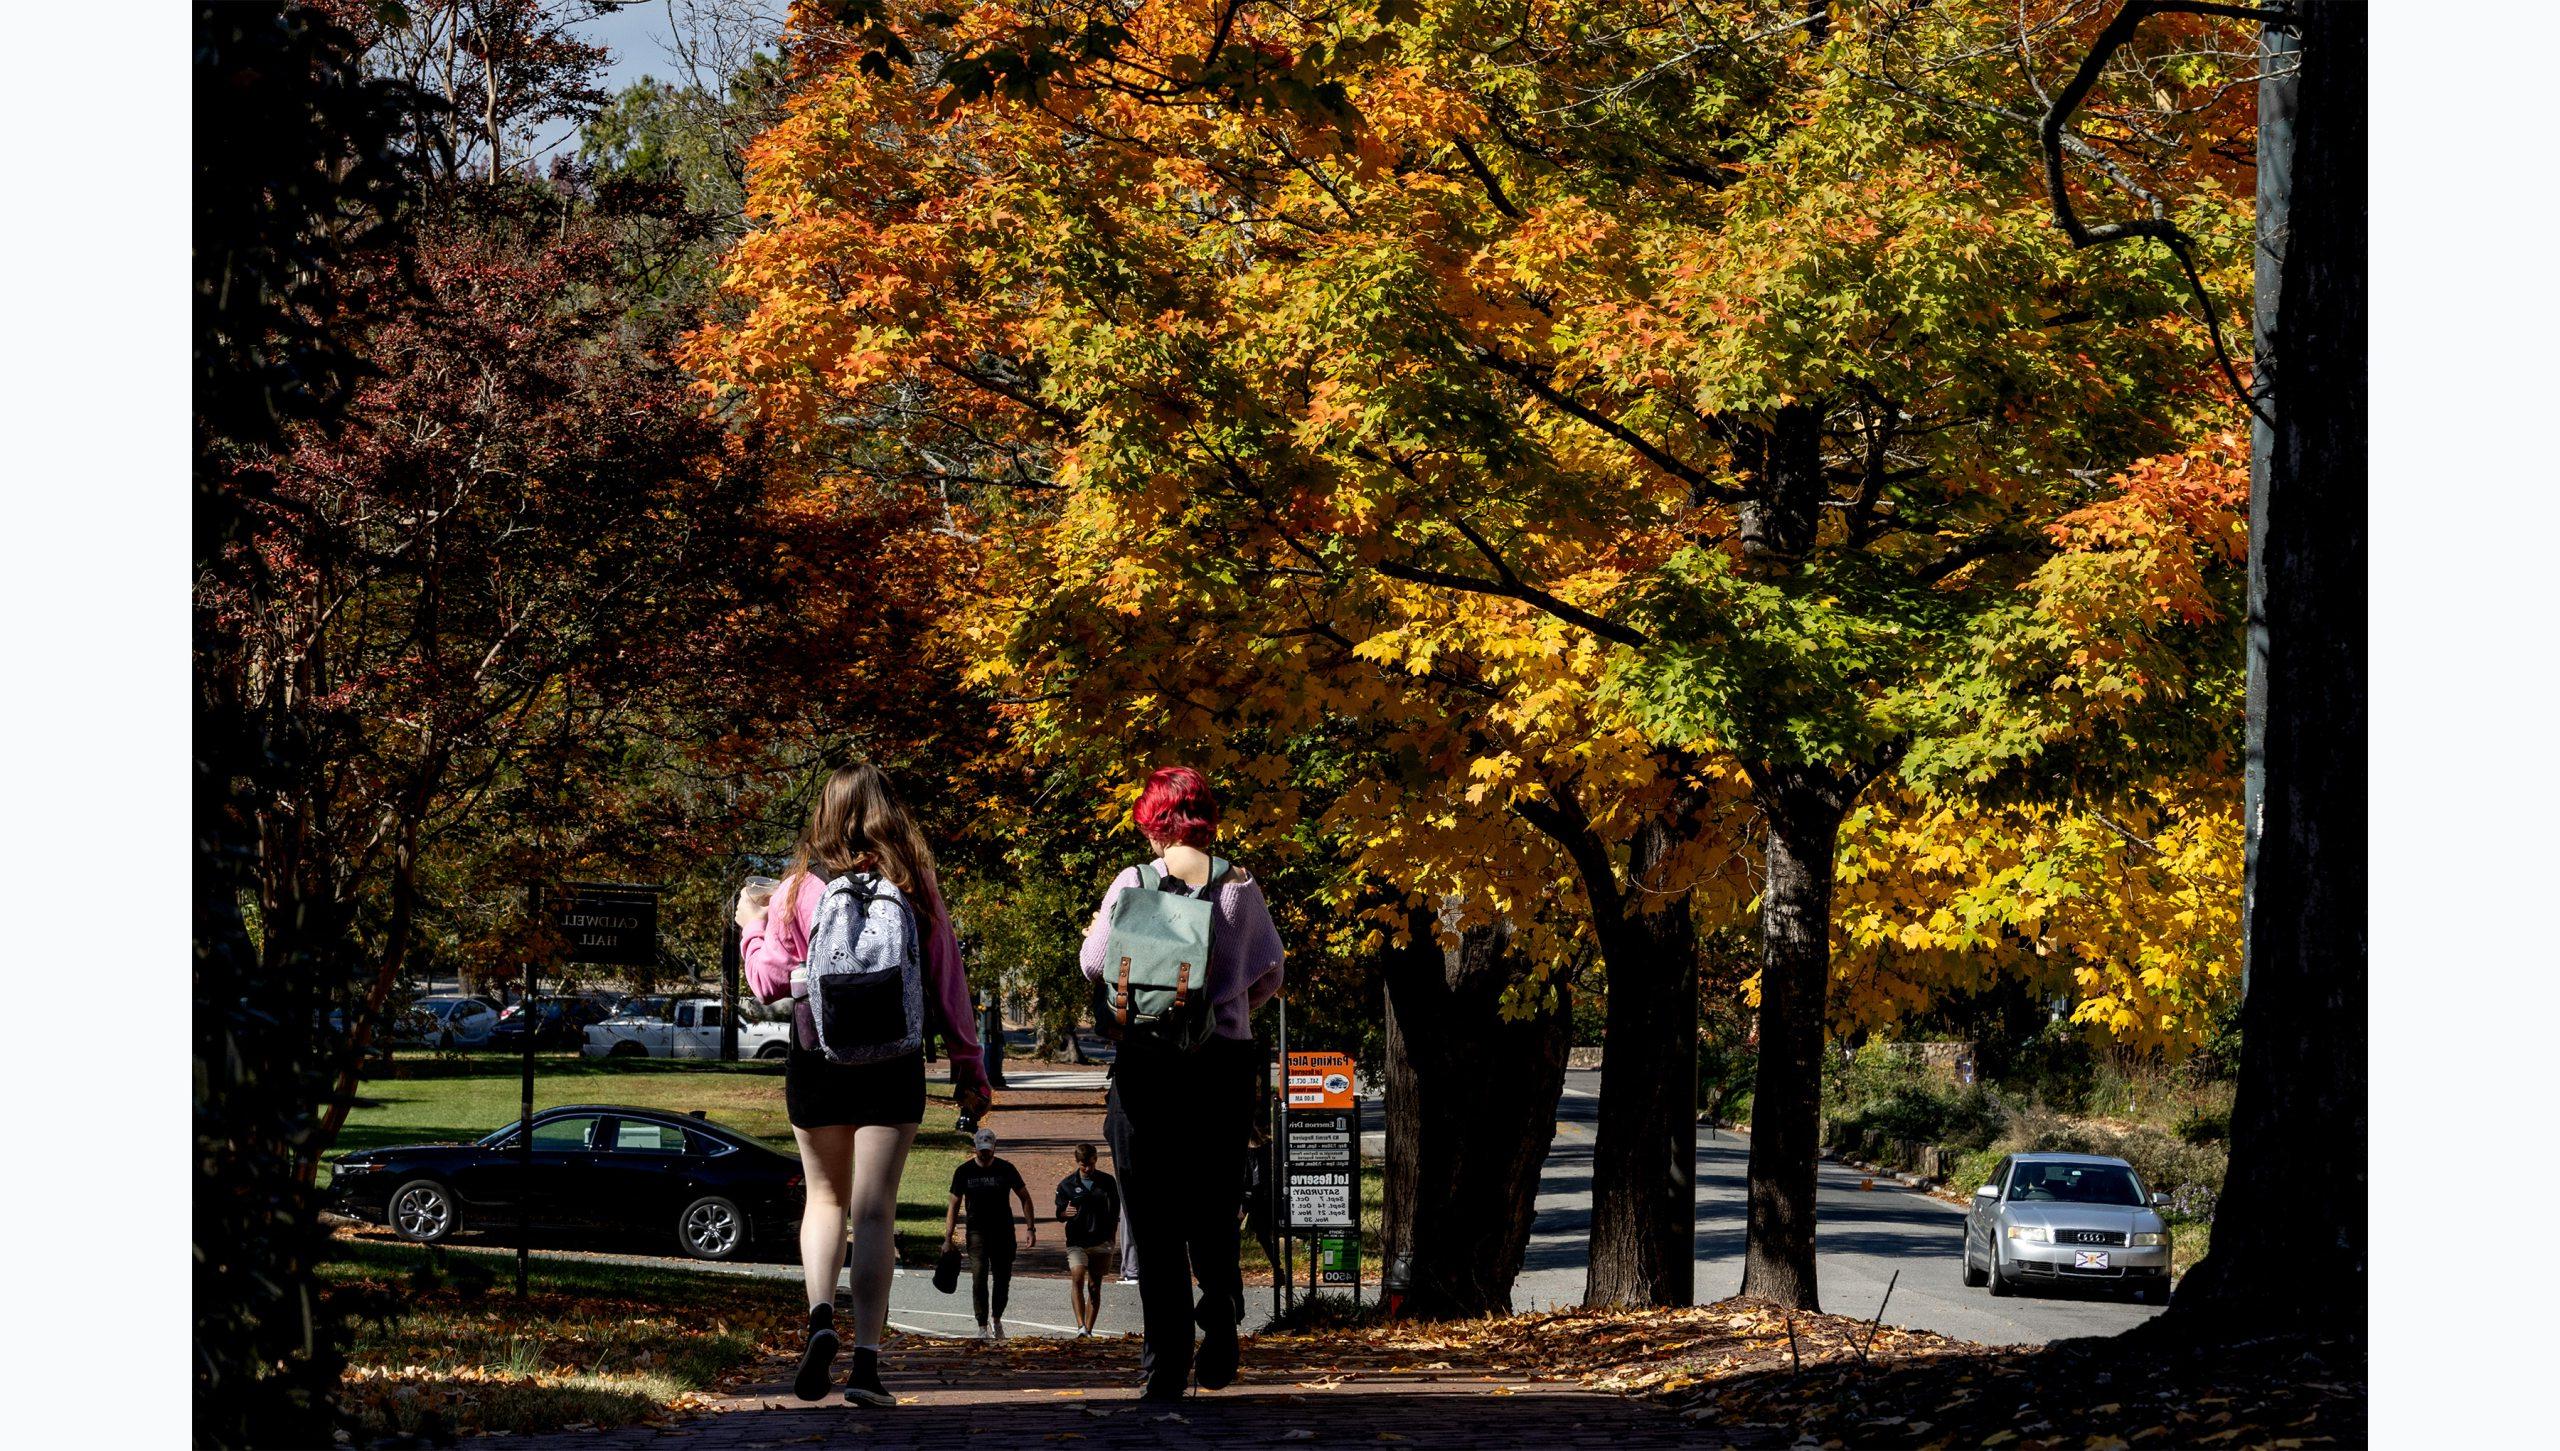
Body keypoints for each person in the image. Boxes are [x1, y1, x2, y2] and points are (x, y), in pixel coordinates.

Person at [739, 763, 993, 1409]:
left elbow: (767, 983)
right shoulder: (913, 884)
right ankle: (868, 1365)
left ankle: (822, 1316)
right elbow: (947, 980)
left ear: (825, 813)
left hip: (815, 1055)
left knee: (824, 1199)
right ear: (887, 811)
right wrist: (969, 1062)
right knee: (875, 1210)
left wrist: (749, 923)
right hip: (894, 1060)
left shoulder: (798, 889)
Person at [1080, 766, 1285, 1401]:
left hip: (1146, 1070)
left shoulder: (1132, 884)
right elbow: (1268, 974)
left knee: (1153, 1217)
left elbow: (1095, 963)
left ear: (1156, 822)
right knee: (1215, 1204)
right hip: (1221, 1068)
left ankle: (1163, 1364)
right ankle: (1221, 1306)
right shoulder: (1238, 888)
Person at [944, 1127, 1035, 1338]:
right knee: (979, 1276)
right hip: (977, 1232)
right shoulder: (964, 1171)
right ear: (975, 1147)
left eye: (988, 1150)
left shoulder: (1006, 1169)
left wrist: (1030, 1228)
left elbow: (1025, 1197)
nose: (985, 1154)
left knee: (1003, 1278)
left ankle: (997, 1318)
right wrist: (948, 1238)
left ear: (995, 1147)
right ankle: (982, 1324)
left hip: (1003, 1232)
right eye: (981, 1149)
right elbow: (954, 1205)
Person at [1054, 1144, 1123, 1338]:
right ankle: (1080, 1326)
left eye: (1091, 1164)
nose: (1088, 1169)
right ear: (1078, 1163)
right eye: (1084, 1165)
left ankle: (1089, 1330)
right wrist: (1063, 1213)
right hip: (1077, 1240)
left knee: (1094, 1285)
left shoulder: (1107, 1182)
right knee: (1077, 1275)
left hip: (1101, 1240)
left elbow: (1115, 1210)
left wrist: (1112, 1236)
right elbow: (1059, 1213)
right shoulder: (1066, 1185)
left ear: (1096, 1160)